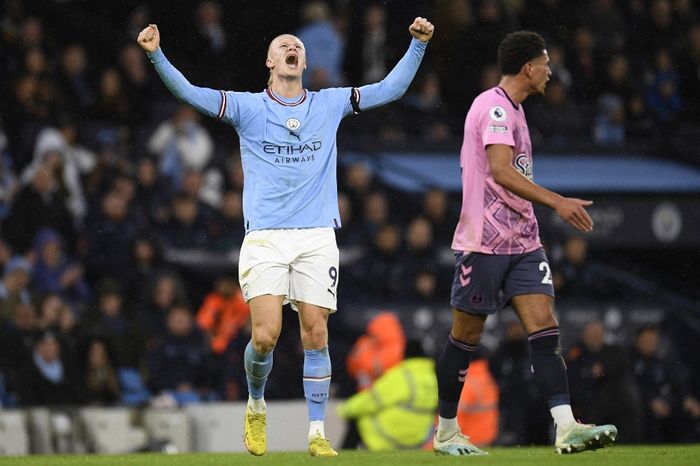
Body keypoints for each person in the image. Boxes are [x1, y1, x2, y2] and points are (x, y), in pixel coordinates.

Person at [137, 16, 434, 457]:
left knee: (316, 332)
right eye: (284, 45)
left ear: (304, 61)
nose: (293, 47)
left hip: (316, 235)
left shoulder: (329, 103)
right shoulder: (248, 108)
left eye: (298, 45)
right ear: (270, 61)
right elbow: (190, 93)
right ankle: (256, 403)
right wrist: (156, 54)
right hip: (266, 238)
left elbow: (388, 90)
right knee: (265, 337)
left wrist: (417, 45)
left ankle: (316, 433)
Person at [433, 31, 617, 456]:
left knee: (545, 327)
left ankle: (566, 426)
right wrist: (557, 201)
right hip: (484, 243)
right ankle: (445, 431)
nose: (551, 72)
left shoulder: (513, 109)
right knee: (465, 338)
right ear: (529, 68)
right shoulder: (494, 106)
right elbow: (500, 170)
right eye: (546, 64)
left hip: (523, 243)